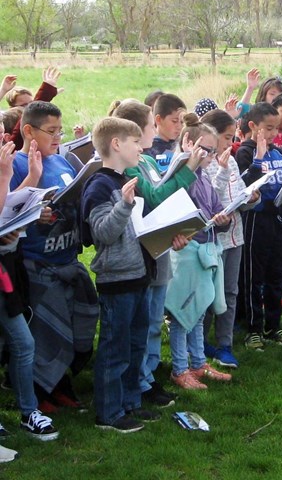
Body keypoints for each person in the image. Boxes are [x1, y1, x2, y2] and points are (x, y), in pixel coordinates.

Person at [10, 101, 98, 412]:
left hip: (67, 259)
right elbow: (9, 212)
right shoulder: (17, 166)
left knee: (74, 327)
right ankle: (40, 391)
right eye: (51, 131)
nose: (58, 137)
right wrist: (36, 215)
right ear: (28, 131)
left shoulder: (63, 162)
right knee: (45, 331)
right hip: (38, 264)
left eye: (60, 130)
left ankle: (62, 384)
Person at [112, 99, 200, 407]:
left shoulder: (147, 160)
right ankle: (141, 379)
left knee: (152, 317)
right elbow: (155, 197)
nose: (154, 131)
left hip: (159, 245)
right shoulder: (134, 163)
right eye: (151, 126)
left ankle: (148, 374)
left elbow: (161, 192)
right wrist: (188, 170)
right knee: (145, 318)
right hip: (142, 250)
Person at [82, 117, 167, 433]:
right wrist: (124, 206)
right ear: (116, 144)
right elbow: (102, 233)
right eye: (134, 142)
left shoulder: (125, 179)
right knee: (115, 348)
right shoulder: (100, 185)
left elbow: (138, 230)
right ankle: (108, 413)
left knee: (135, 345)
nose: (140, 148)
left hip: (140, 274)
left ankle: (131, 403)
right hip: (117, 279)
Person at [164, 114, 232, 389]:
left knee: (200, 309)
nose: (210, 156)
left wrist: (223, 218)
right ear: (188, 143)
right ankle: (179, 368)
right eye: (206, 150)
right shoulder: (179, 174)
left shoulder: (203, 176)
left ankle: (198, 362)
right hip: (185, 253)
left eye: (213, 151)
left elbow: (215, 206)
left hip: (204, 249)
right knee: (182, 313)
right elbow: (166, 211)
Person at [0, 139, 58, 442]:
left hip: (7, 273)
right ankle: (27, 410)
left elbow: (8, 205)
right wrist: (5, 175)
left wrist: (32, 178)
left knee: (20, 343)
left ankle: (28, 412)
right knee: (22, 342)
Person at [235, 102, 282, 349]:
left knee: (277, 274)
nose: (274, 134)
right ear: (253, 126)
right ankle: (252, 327)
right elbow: (242, 187)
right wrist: (259, 158)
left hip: (280, 220)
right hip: (256, 220)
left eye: (276, 129)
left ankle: (273, 325)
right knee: (254, 275)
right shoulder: (245, 152)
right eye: (268, 128)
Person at [201, 109, 260, 369]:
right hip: (211, 240)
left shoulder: (233, 160)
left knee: (230, 292)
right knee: (206, 294)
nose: (231, 143)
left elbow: (236, 197)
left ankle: (225, 345)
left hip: (235, 236)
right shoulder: (202, 162)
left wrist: (249, 199)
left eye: (232, 137)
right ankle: (199, 344)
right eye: (227, 137)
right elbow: (207, 199)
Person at [144, 93, 186, 173]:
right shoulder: (149, 148)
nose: (179, 126)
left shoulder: (183, 144)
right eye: (174, 121)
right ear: (159, 119)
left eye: (182, 122)